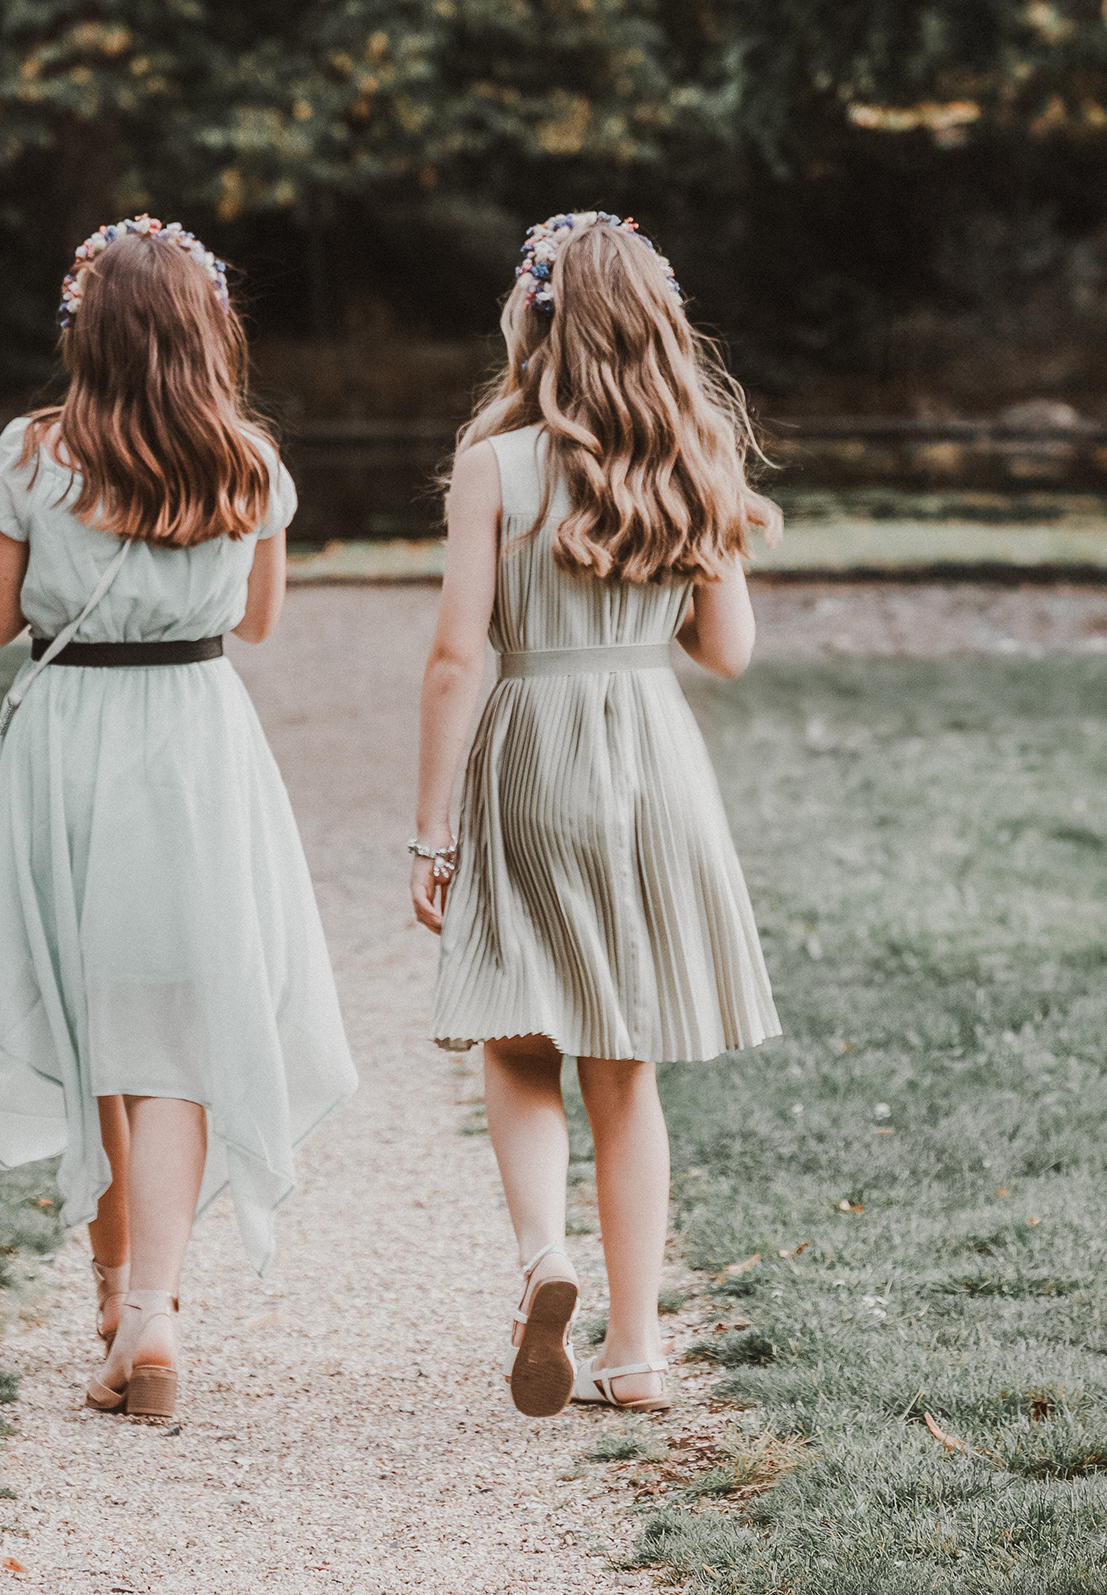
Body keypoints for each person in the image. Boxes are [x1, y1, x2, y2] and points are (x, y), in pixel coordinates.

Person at [0, 216, 357, 1422]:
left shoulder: (33, 456)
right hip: (194, 745)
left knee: (94, 1015)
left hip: (71, 748)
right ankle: (147, 1310)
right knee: (178, 1032)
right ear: (209, 330)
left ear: (81, 333)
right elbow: (257, 624)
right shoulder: (249, 461)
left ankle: (115, 1299)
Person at [410, 211, 781, 1418]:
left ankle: (543, 1257)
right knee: (625, 1067)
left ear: (534, 316)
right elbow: (726, 650)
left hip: (531, 748)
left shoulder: (495, 465)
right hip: (651, 762)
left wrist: (433, 831)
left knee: (518, 1036)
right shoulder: (695, 449)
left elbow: (456, 659)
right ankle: (638, 1355)